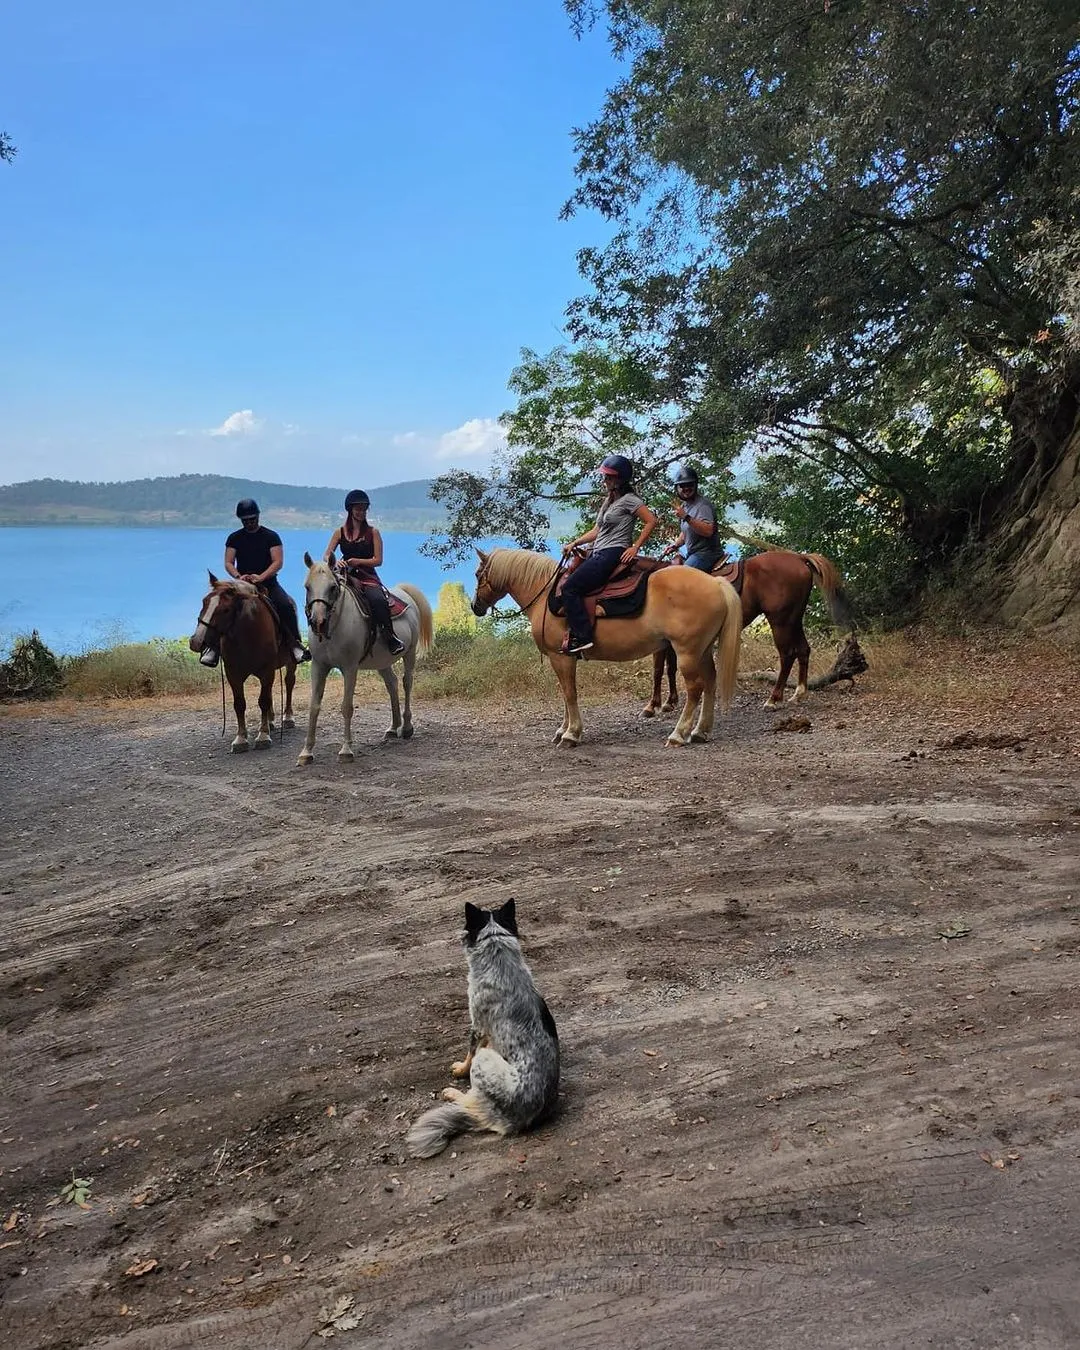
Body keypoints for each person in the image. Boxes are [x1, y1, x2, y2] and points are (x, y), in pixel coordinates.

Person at [559, 454, 657, 655]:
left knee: (569, 588)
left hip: (613, 552)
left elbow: (651, 521)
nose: (605, 481)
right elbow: (596, 531)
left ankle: (583, 637)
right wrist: (575, 542)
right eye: (605, 477)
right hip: (598, 551)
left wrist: (635, 547)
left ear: (620, 479)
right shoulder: (609, 501)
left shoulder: (630, 500)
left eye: (609, 478)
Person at [199, 498, 311, 668]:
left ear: (258, 517)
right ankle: (211, 648)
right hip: (242, 586)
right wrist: (238, 575)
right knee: (219, 607)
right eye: (246, 520)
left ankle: (294, 644)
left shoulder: (271, 536)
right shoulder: (234, 538)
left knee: (285, 605)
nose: (250, 523)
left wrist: (261, 577)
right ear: (241, 520)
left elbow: (277, 562)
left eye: (252, 519)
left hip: (268, 584)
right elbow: (228, 562)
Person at [323, 489, 406, 655]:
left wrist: (358, 561)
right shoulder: (339, 532)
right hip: (345, 574)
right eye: (358, 509)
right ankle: (321, 634)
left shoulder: (373, 532)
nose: (361, 512)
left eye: (363, 509)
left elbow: (378, 560)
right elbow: (326, 554)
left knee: (377, 599)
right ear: (350, 510)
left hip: (367, 576)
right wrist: (335, 560)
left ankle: (390, 637)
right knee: (324, 595)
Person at [660, 465, 720, 572]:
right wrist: (675, 545)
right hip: (693, 554)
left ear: (696, 485)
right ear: (677, 488)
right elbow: (686, 532)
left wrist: (686, 517)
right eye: (682, 486)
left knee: (680, 577)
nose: (686, 488)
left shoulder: (702, 505)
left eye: (689, 484)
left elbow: (708, 531)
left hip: (706, 554)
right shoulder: (684, 507)